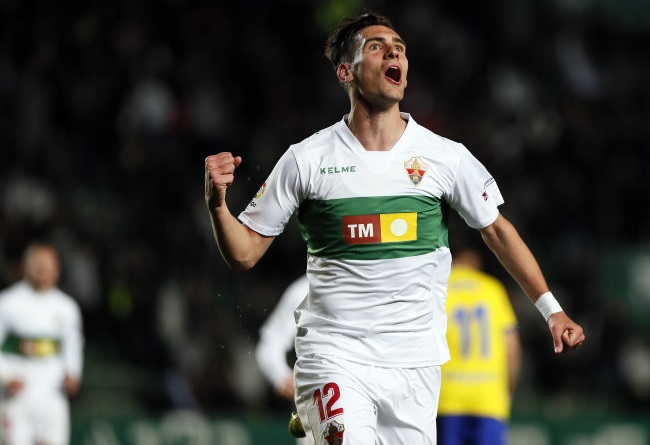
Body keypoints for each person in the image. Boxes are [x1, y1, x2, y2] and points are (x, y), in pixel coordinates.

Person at [204, 10, 585, 445]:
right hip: (335, 356)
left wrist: (551, 310)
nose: (394, 52)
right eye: (377, 46)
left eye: (399, 47)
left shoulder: (445, 157)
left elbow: (497, 231)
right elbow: (244, 253)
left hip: (415, 367)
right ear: (345, 71)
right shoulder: (306, 159)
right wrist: (217, 205)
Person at [0, 243, 84, 445]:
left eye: (48, 263)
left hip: (52, 393)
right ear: (24, 266)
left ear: (57, 268)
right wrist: (6, 377)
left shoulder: (67, 307)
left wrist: (73, 373)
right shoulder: (7, 303)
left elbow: (72, 346)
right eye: (37, 263)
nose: (43, 268)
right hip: (17, 394)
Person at [437, 248, 522, 445]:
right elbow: (512, 348)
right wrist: (507, 392)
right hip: (489, 397)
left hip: (447, 397)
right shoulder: (492, 289)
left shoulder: (440, 288)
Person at [255, 274, 311, 445]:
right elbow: (270, 343)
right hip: (321, 406)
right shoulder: (306, 288)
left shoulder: (391, 276)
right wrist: (281, 376)